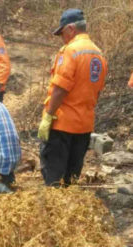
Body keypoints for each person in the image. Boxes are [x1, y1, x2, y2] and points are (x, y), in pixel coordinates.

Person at [38, 9, 108, 186]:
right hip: (84, 125)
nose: (62, 37)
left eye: (62, 33)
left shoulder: (70, 51)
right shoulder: (99, 55)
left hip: (62, 123)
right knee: (72, 177)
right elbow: (97, 92)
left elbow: (61, 88)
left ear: (71, 29)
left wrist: (48, 116)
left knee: (54, 175)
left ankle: (53, 209)